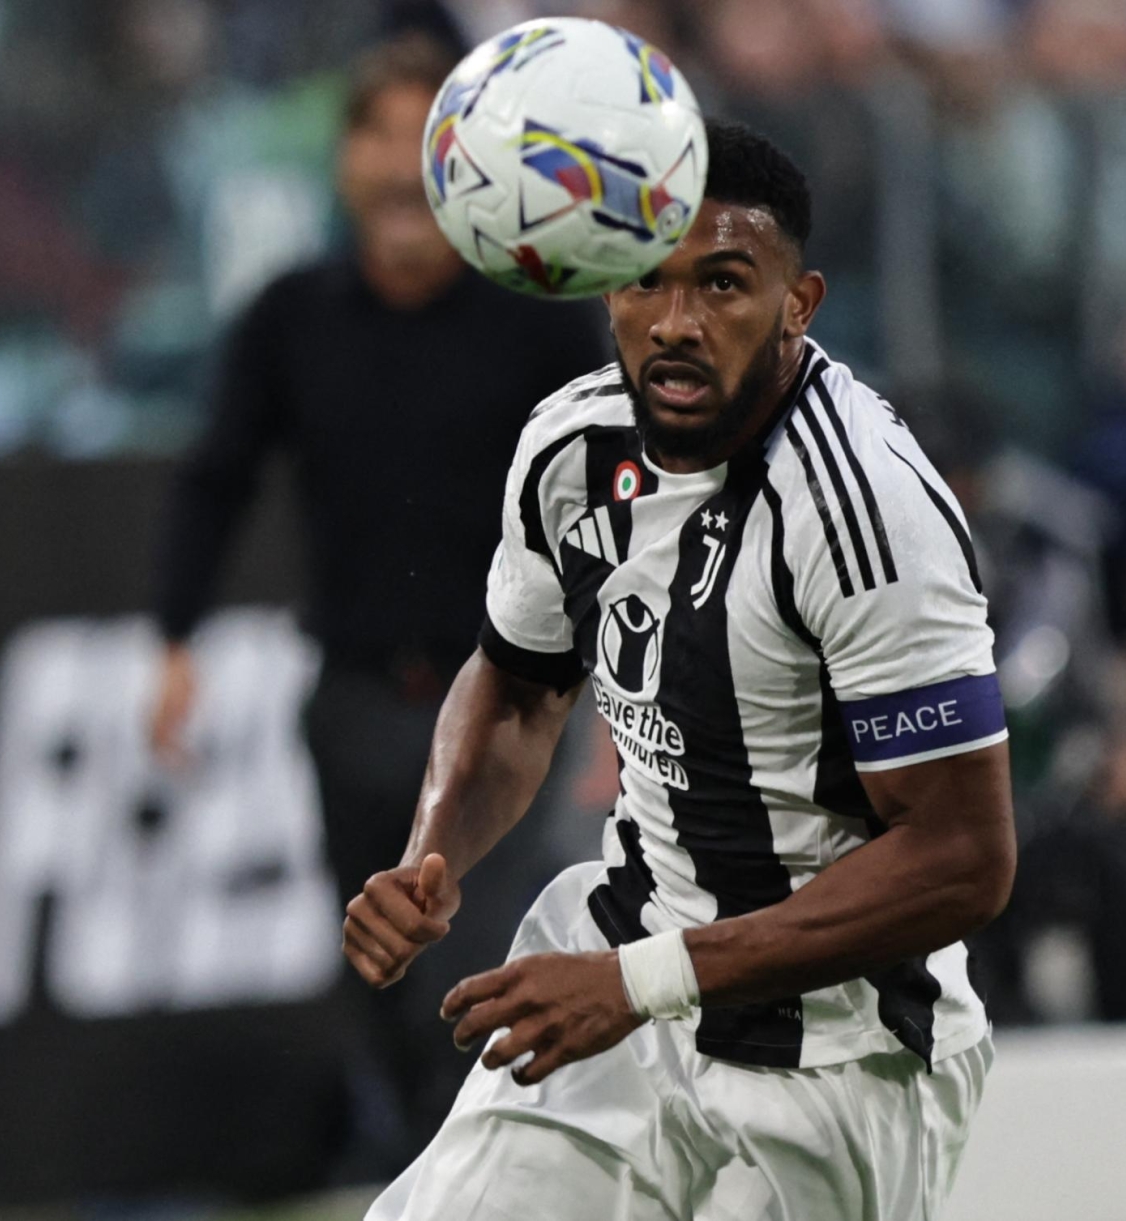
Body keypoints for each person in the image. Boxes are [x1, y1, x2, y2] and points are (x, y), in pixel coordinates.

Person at [347, 119, 1013, 1221]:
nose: (675, 324)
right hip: (613, 965)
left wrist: (640, 984)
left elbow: (963, 858)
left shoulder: (867, 515)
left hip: (837, 1049)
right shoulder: (572, 448)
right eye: (646, 284)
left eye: (723, 285)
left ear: (798, 305)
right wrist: (434, 853)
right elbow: (518, 685)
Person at [147, 34, 608, 1162]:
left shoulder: (539, 319)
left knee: (468, 980)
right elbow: (217, 479)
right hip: (353, 706)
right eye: (375, 135)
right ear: (343, 160)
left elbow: (610, 508)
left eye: (423, 138)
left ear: (464, 161)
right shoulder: (290, 318)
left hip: (509, 708)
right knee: (383, 983)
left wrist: (611, 702)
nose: (400, 168)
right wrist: (173, 642)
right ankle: (424, 1168)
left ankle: (457, 1183)